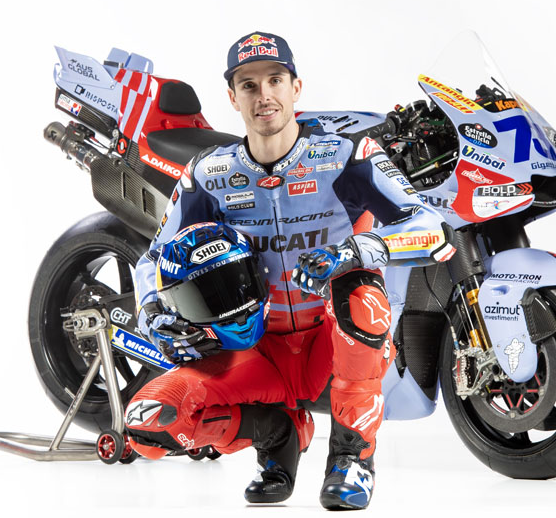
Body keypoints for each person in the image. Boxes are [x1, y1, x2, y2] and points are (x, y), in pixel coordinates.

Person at [124, 31, 455, 510]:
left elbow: (432, 229)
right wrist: (152, 311)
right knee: (146, 422)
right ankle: (276, 433)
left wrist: (355, 250)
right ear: (232, 97)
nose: (264, 95)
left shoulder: (346, 155)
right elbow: (153, 259)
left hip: (332, 340)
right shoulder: (208, 173)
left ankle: (352, 458)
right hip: (254, 347)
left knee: (361, 295)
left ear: (296, 87)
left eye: (275, 80)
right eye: (249, 85)